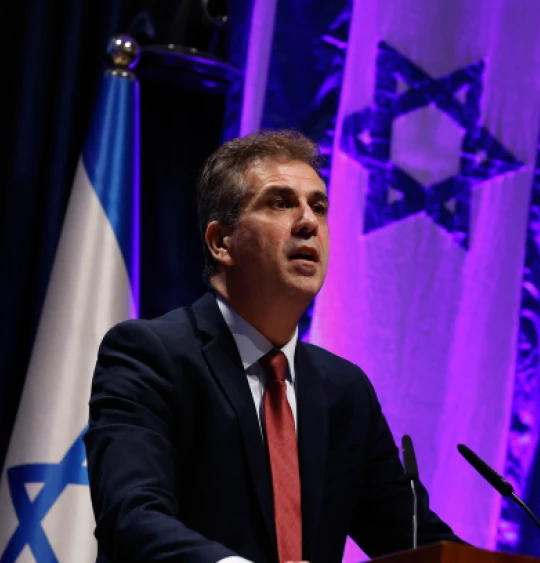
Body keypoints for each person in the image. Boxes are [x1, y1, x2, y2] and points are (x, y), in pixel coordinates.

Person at [84, 130, 461, 563]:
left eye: (318, 206)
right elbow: (132, 518)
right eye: (280, 203)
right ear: (220, 242)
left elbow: (415, 541)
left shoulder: (345, 391)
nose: (308, 222)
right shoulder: (151, 355)